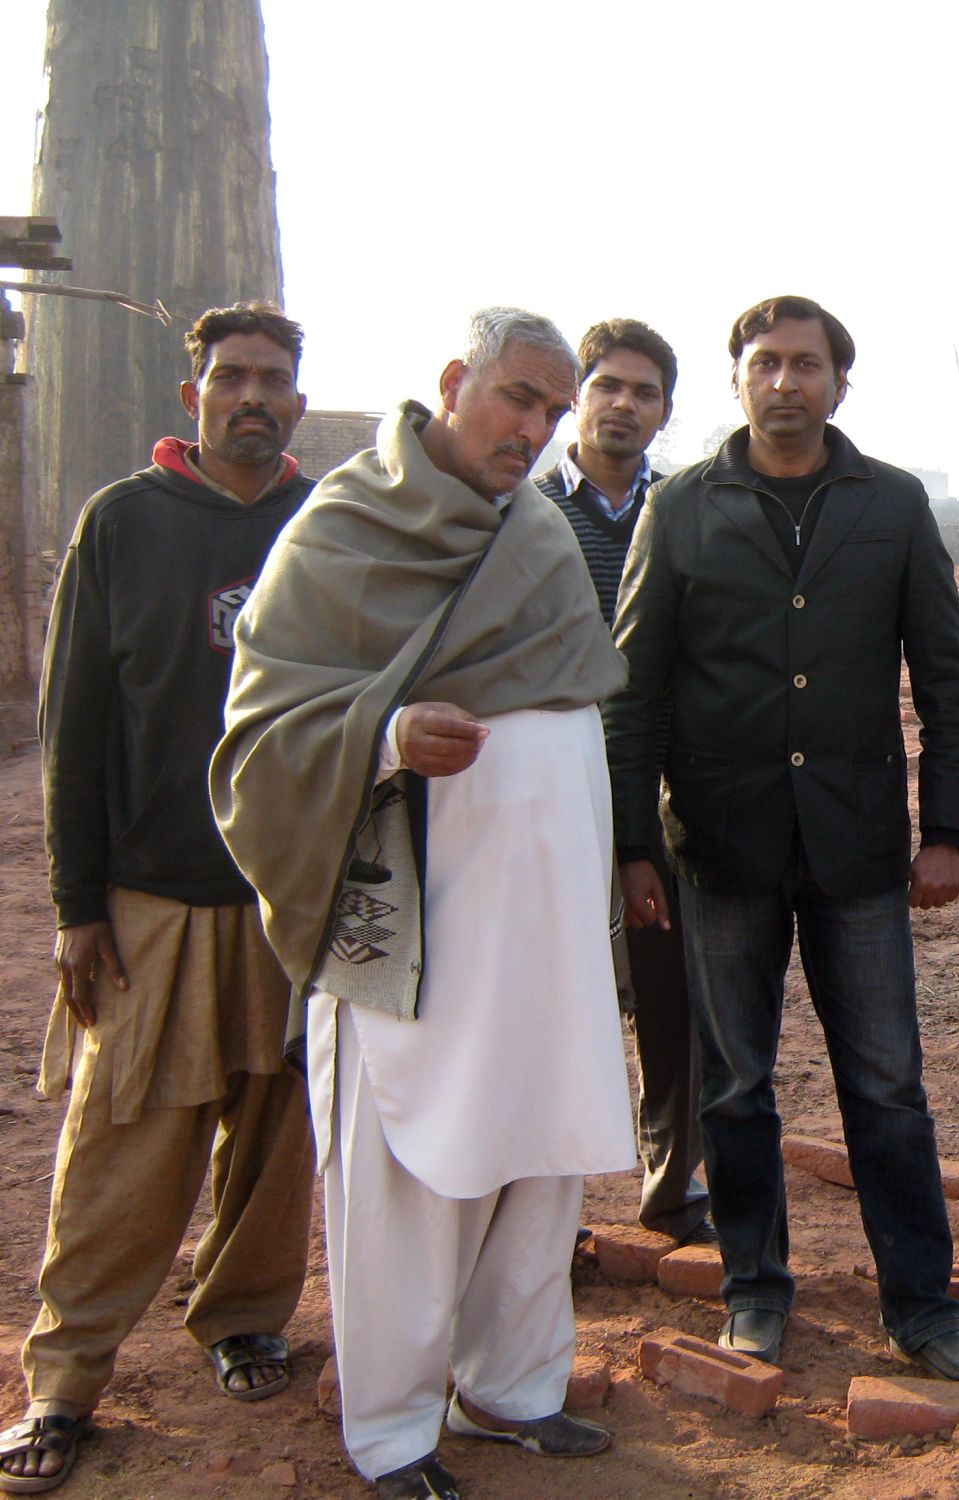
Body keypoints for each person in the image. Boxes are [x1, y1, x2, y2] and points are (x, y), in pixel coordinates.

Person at [212, 308, 634, 1500]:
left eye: (552, 412)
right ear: (455, 381)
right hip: (412, 921)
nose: (536, 429)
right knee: (400, 1168)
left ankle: (510, 1386)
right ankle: (391, 1429)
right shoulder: (343, 529)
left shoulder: (540, 533)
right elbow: (260, 731)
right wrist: (385, 735)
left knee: (539, 1146)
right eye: (517, 398)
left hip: (543, 921)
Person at [604, 294, 959, 1387]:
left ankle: (921, 1306)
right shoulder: (682, 509)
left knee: (885, 1084)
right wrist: (632, 845)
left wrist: (948, 830)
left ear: (839, 383)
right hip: (718, 851)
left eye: (807, 365)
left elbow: (946, 678)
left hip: (860, 850)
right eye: (765, 363)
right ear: (737, 380)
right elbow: (631, 692)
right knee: (735, 1087)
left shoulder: (892, 505)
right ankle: (754, 1291)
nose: (786, 381)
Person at [3, 303, 317, 1498]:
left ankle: (242, 1316)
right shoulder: (123, 523)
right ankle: (66, 1374)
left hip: (292, 894)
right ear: (192, 394)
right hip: (149, 893)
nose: (252, 396)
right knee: (121, 1137)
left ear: (297, 397)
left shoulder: (321, 524)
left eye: (272, 379)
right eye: (231, 376)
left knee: (277, 1123)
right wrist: (77, 903)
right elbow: (73, 725)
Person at [535, 317, 713, 1247]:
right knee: (552, 998)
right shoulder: (523, 511)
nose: (624, 405)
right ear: (578, 393)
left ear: (666, 412)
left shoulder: (685, 511)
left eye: (644, 393)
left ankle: (670, 1186)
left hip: (661, 787)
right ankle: (541, 1222)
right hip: (550, 790)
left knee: (674, 998)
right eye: (608, 385)